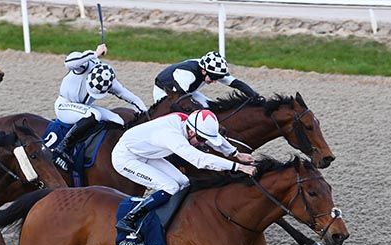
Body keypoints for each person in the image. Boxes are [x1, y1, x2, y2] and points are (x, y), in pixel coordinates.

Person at [112, 109, 256, 233]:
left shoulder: (188, 123)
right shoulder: (172, 136)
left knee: (184, 182)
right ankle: (129, 219)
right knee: (170, 187)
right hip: (126, 158)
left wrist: (236, 154)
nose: (202, 143)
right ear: (191, 132)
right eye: (201, 139)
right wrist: (238, 166)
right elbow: (201, 160)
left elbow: (212, 136)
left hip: (145, 153)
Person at [52, 43, 148, 171]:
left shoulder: (110, 81)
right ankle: (63, 147)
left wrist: (147, 114)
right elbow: (69, 62)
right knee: (94, 115)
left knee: (117, 120)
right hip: (64, 106)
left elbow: (131, 97)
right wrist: (95, 53)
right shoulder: (84, 66)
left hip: (83, 108)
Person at [153, 51, 260, 106]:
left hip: (187, 91)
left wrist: (255, 96)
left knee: (210, 107)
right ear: (203, 71)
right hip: (166, 93)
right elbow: (179, 99)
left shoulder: (211, 69)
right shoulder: (187, 75)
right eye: (213, 78)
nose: (215, 81)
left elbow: (237, 84)